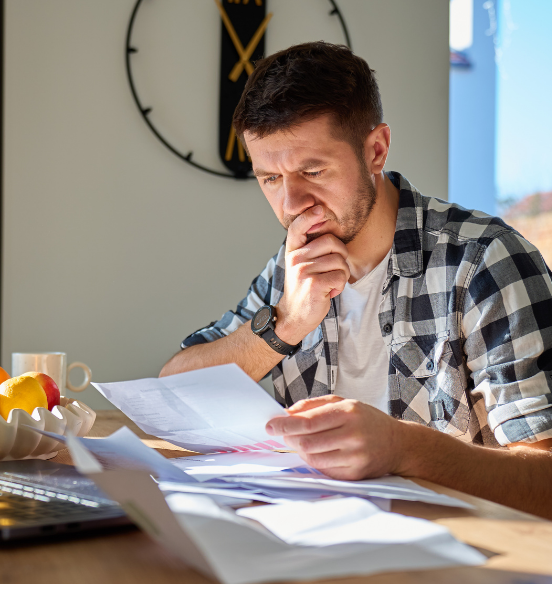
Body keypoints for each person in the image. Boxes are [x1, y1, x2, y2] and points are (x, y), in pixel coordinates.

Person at [159, 42, 552, 519]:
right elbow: (172, 391)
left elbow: (545, 480)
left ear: (375, 150)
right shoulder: (293, 268)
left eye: (312, 171)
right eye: (270, 179)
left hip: (467, 549)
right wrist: (284, 325)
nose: (291, 205)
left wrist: (405, 449)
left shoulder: (485, 261)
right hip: (316, 537)